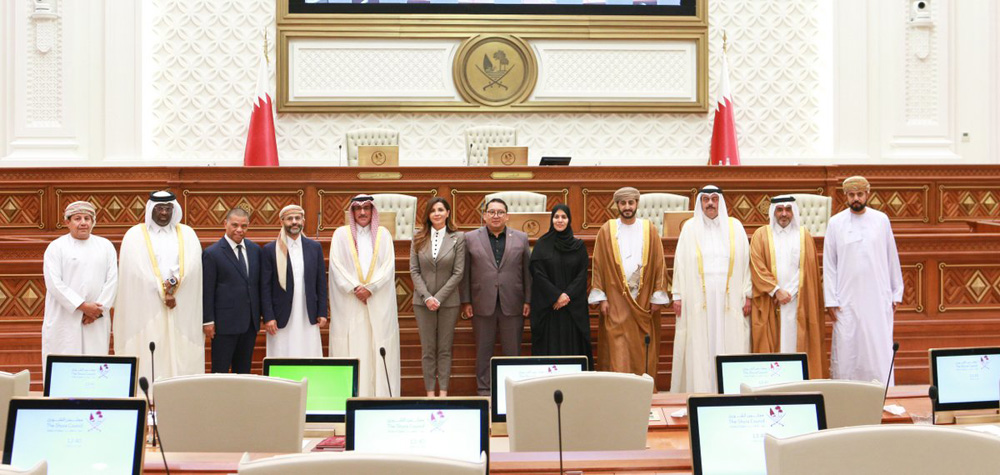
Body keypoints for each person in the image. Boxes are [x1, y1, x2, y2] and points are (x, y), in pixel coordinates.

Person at [115, 191, 204, 382]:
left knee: (180, 347)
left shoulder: (187, 234)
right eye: (159, 208)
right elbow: (134, 269)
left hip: (180, 304)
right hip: (146, 306)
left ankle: (180, 391)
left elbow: (193, 265)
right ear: (150, 210)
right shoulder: (134, 235)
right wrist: (162, 291)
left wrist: (173, 287)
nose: (164, 213)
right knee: (149, 343)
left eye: (168, 208)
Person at [670, 185, 752, 393]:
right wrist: (677, 294)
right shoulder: (689, 228)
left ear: (720, 202)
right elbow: (679, 263)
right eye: (705, 199)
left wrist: (748, 294)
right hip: (698, 299)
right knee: (699, 345)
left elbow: (746, 264)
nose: (710, 203)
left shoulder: (736, 227)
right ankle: (700, 391)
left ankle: (730, 391)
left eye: (714, 199)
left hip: (730, 300)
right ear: (700, 203)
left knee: (731, 341)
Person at [824, 176, 903, 385]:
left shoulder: (881, 220)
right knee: (848, 347)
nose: (856, 199)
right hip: (846, 300)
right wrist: (830, 300)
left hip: (878, 297)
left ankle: (882, 392)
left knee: (878, 347)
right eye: (851, 195)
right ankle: (848, 393)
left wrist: (897, 292)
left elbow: (891, 256)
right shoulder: (835, 223)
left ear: (867, 194)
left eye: (860, 194)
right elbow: (830, 264)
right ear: (845, 196)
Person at [589, 188, 668, 378]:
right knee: (617, 348)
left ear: (637, 204)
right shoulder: (607, 230)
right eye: (623, 203)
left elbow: (659, 263)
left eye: (630, 203)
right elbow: (598, 264)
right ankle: (618, 393)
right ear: (617, 205)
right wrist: (602, 298)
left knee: (641, 347)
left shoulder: (649, 229)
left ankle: (643, 392)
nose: (627, 207)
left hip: (643, 299)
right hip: (616, 300)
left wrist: (657, 295)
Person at [329, 195, 400, 397]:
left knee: (380, 342)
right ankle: (352, 395)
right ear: (352, 212)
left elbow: (388, 266)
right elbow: (336, 265)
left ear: (372, 211)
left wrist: (371, 288)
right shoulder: (340, 235)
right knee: (353, 344)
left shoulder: (383, 234)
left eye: (367, 208)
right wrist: (354, 288)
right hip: (351, 301)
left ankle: (382, 396)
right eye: (358, 209)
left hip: (377, 300)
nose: (362, 213)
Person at [460, 198, 531, 396]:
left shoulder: (521, 238)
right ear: (484, 215)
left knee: (512, 352)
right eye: (491, 212)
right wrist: (466, 301)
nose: (496, 216)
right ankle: (484, 392)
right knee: (483, 351)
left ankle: (513, 392)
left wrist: (528, 300)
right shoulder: (470, 238)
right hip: (481, 303)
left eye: (500, 212)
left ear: (507, 216)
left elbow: (527, 271)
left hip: (513, 303)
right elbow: (465, 272)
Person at [749, 195, 826, 378]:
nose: (784, 214)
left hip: (797, 301)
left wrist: (789, 292)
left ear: (794, 212)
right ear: (773, 211)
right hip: (770, 301)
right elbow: (756, 265)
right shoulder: (761, 234)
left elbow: (808, 269)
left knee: (795, 343)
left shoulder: (803, 235)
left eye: (788, 209)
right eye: (779, 209)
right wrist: (776, 290)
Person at [42, 201, 118, 368]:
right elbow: (54, 284)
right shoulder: (56, 247)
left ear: (93, 222)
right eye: (77, 218)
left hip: (96, 318)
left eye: (87, 218)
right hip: (65, 316)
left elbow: (112, 281)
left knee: (94, 362)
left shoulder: (105, 246)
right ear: (67, 222)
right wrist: (83, 306)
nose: (83, 222)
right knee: (64, 361)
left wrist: (96, 311)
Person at [409, 197, 466, 397]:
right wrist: (427, 297)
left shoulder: (458, 237)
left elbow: (458, 272)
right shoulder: (417, 237)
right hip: (422, 303)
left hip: (448, 302)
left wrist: (438, 298)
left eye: (441, 209)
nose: (437, 213)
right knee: (428, 350)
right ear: (428, 215)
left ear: (448, 213)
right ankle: (430, 394)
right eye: (433, 210)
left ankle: (443, 393)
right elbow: (414, 271)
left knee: (444, 349)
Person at [260, 204, 328, 358]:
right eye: (289, 219)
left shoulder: (314, 247)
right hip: (281, 315)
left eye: (298, 218)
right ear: (282, 222)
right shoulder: (270, 249)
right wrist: (269, 317)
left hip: (308, 312)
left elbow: (321, 282)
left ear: (303, 221)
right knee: (282, 353)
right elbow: (265, 287)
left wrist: (322, 311)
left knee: (308, 352)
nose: (294, 222)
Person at [530, 204, 592, 366]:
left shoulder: (578, 246)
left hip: (572, 309)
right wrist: (556, 296)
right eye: (556, 217)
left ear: (569, 220)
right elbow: (538, 274)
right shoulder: (542, 245)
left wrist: (567, 295)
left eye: (563, 217)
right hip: (550, 309)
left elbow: (582, 275)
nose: (560, 220)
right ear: (551, 220)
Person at [202, 208, 261, 374]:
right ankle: (217, 401)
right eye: (235, 225)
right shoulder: (212, 253)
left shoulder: (255, 250)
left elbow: (256, 285)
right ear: (225, 224)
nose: (239, 230)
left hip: (249, 324)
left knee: (244, 371)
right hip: (223, 324)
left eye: (244, 226)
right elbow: (207, 290)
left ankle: (241, 401)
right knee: (220, 371)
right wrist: (208, 321)